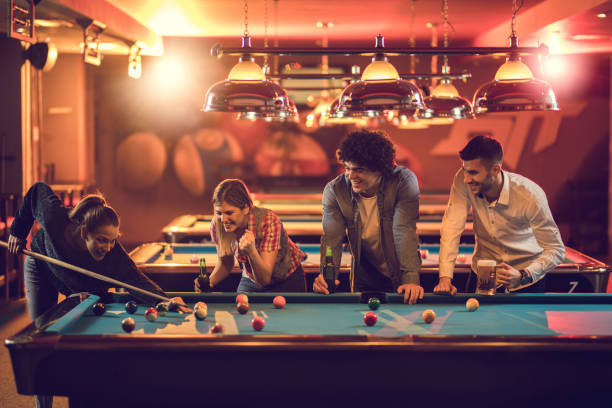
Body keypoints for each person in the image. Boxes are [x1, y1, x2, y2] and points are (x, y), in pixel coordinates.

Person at [8, 182, 184, 408]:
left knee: (87, 324)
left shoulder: (113, 254)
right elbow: (36, 191)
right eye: (102, 240)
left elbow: (136, 280)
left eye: (113, 240)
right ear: (84, 232)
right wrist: (18, 231)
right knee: (41, 338)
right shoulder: (54, 219)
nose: (108, 247)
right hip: (42, 264)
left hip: (77, 279)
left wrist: (165, 301)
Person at [434, 135, 565, 295]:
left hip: (525, 280)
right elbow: (452, 227)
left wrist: (524, 275)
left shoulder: (530, 196)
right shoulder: (462, 180)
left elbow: (556, 249)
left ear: (495, 170)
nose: (467, 179)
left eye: (474, 173)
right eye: (465, 171)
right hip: (482, 275)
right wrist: (445, 278)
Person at [312, 130, 423, 304]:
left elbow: (404, 231)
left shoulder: (403, 181)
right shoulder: (335, 190)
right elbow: (331, 240)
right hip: (366, 273)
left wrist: (411, 280)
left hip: (400, 271)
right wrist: (327, 274)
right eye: (348, 168)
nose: (351, 176)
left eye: (359, 170)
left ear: (380, 168)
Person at [194, 179, 306, 293]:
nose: (223, 219)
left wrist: (251, 252)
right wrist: (209, 282)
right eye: (219, 213)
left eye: (229, 213)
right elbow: (225, 262)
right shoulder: (217, 225)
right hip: (252, 279)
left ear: (246, 208)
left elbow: (264, 278)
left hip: (287, 279)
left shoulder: (268, 221)